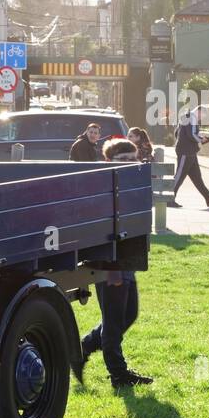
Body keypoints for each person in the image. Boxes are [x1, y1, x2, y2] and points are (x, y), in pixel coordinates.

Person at [74, 139, 152, 389]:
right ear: (109, 161)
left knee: (128, 315)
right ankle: (118, 374)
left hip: (126, 260)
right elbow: (101, 231)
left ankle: (82, 348)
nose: (130, 164)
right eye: (124, 160)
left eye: (133, 159)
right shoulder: (104, 186)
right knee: (114, 320)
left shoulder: (130, 183)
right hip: (109, 263)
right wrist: (112, 270)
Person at [168, 107, 209, 207]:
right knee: (179, 176)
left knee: (197, 177)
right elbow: (192, 134)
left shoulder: (186, 116)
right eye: (202, 115)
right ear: (199, 112)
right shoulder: (191, 117)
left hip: (189, 151)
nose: (201, 118)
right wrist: (202, 139)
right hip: (186, 151)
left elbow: (177, 132)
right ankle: (168, 199)